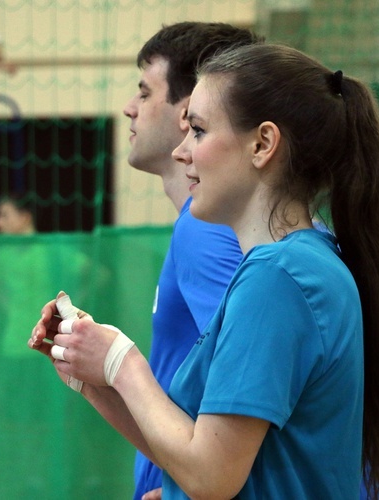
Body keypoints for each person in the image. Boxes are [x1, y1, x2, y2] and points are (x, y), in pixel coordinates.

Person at [29, 43, 379, 499]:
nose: (181, 152)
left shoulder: (281, 278)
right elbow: (204, 451)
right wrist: (95, 375)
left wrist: (122, 361)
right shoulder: (284, 267)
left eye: (197, 130)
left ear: (262, 144)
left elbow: (213, 476)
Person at [122, 23, 262, 499]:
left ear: (187, 113)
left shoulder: (209, 232)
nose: (129, 108)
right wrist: (99, 374)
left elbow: (262, 382)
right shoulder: (208, 226)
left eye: (145, 91)